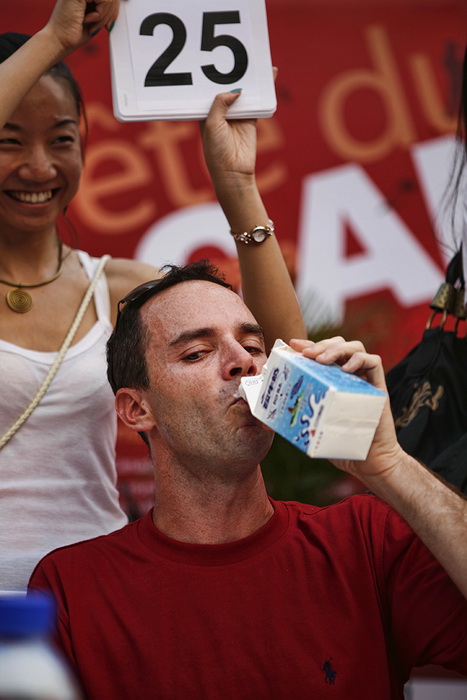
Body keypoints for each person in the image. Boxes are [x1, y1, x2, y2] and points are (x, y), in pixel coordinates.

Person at [29, 260, 467, 700]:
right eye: (196, 352)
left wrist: (389, 464)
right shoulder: (73, 587)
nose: (243, 362)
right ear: (136, 410)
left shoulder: (367, 541)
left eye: (254, 346)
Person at [0, 0, 306, 592]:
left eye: (62, 139)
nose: (39, 167)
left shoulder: (115, 288)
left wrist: (238, 185)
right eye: (8, 141)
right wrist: (55, 39)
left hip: (92, 602)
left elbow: (289, 381)